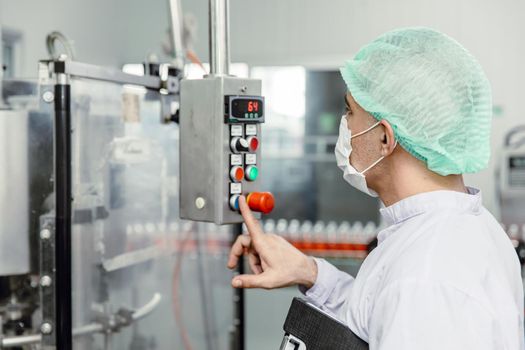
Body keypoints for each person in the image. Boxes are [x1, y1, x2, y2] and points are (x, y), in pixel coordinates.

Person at [227, 27, 524, 349]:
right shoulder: (460, 230)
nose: (345, 125)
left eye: (350, 112)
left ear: (384, 138)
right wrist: (311, 272)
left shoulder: (425, 276)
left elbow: (410, 300)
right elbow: (380, 317)